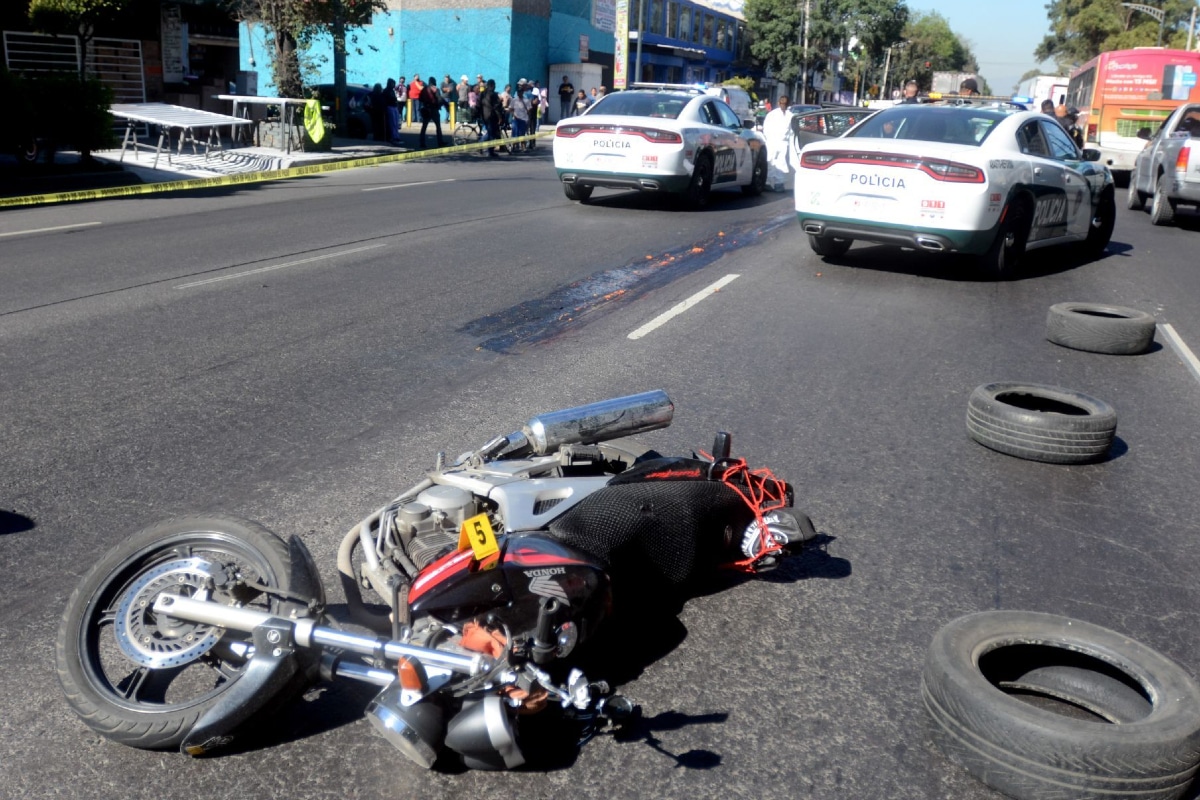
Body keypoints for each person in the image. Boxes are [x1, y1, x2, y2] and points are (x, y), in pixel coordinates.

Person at [761, 94, 791, 192]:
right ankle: (769, 183)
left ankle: (776, 183)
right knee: (772, 162)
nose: (783, 105)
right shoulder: (773, 115)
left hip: (780, 143)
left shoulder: (789, 116)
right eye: (782, 103)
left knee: (778, 163)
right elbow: (766, 129)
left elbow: (793, 131)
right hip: (773, 142)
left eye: (784, 104)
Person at [478, 78, 503, 157]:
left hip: (484, 116)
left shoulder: (482, 93)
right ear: (492, 85)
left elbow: (478, 105)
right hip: (492, 116)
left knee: (490, 132)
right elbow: (496, 107)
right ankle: (490, 151)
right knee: (491, 134)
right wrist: (500, 117)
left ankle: (481, 144)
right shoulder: (493, 94)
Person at [419, 75, 446, 148]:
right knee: (438, 127)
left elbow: (420, 98)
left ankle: (422, 143)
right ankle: (440, 142)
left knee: (424, 127)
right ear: (434, 82)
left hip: (426, 109)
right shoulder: (435, 89)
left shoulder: (424, 89)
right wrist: (441, 105)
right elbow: (439, 99)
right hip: (434, 110)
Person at [510, 79, 531, 150]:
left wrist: (528, 119)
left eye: (520, 92)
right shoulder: (514, 100)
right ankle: (514, 146)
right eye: (518, 92)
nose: (519, 93)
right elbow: (511, 109)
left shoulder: (526, 100)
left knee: (522, 134)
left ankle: (523, 147)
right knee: (514, 133)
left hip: (524, 119)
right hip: (515, 119)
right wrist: (514, 115)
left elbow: (529, 110)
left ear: (522, 92)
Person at [382, 78, 400, 144]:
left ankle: (396, 136)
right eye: (392, 84)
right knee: (392, 123)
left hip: (394, 107)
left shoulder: (392, 91)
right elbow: (386, 100)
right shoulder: (386, 91)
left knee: (396, 123)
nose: (393, 85)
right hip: (389, 107)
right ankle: (393, 136)